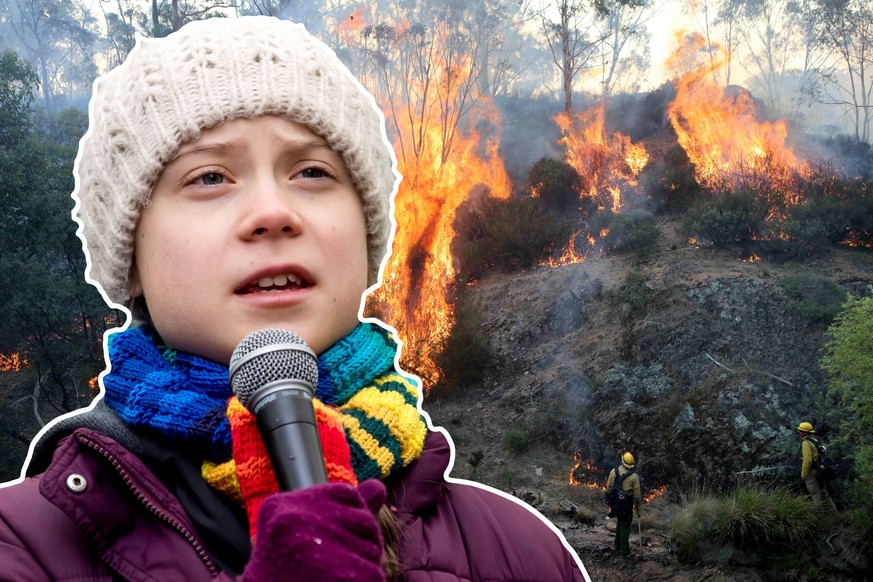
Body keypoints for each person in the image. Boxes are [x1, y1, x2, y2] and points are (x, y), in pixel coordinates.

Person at [0, 16, 588, 582]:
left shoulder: (522, 554)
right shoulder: (25, 546)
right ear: (132, 261)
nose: (273, 213)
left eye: (311, 172)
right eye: (209, 177)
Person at [605, 451, 643, 557]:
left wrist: (610, 505)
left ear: (622, 461)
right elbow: (637, 496)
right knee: (625, 524)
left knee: (620, 522)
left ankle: (617, 545)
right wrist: (638, 510)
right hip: (626, 504)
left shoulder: (613, 471)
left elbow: (609, 488)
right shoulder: (634, 476)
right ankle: (624, 551)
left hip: (615, 503)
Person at [797, 421, 837, 512]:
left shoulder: (805, 443)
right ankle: (834, 514)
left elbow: (808, 460)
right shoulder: (816, 439)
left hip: (812, 472)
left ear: (805, 432)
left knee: (815, 493)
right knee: (823, 493)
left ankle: (819, 518)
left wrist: (803, 474)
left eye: (800, 430)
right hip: (820, 470)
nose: (799, 432)